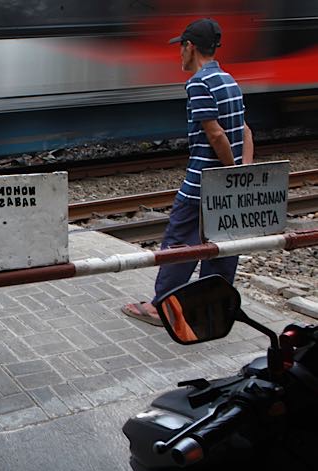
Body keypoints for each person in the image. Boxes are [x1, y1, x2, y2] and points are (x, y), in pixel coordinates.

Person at [123, 18, 254, 326]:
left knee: (180, 244)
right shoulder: (228, 79)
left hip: (201, 185)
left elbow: (216, 134)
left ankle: (164, 307)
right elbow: (245, 130)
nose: (178, 54)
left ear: (190, 47)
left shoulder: (199, 83)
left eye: (180, 47)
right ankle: (216, 305)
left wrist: (230, 173)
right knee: (222, 247)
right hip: (226, 190)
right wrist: (243, 174)